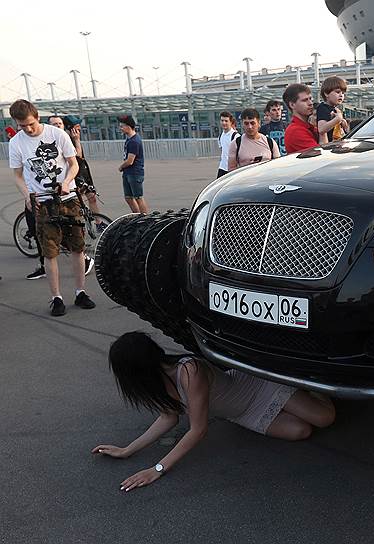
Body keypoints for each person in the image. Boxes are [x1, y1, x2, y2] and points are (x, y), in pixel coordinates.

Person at [92, 331, 335, 491]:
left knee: (325, 418)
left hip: (256, 388)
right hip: (241, 413)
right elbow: (169, 417)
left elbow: (198, 430)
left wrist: (157, 469)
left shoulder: (189, 372)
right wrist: (127, 450)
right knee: (300, 431)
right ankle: (298, 397)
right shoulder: (159, 382)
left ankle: (311, 384)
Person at [7, 99, 96, 316]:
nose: (27, 129)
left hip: (69, 199)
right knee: (50, 252)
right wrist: (28, 196)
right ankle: (56, 297)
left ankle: (80, 292)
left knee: (77, 248)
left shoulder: (57, 135)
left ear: (37, 117)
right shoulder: (16, 143)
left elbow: (73, 164)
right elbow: (17, 175)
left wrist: (66, 183)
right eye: (21, 126)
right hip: (43, 203)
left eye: (30, 124)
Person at [117, 115, 148, 213]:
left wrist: (121, 167)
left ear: (128, 127)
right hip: (128, 173)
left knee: (138, 197)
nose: (120, 128)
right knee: (128, 198)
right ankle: (137, 216)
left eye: (122, 126)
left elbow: (130, 160)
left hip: (134, 173)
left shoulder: (134, 141)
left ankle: (145, 219)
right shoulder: (129, 139)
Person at [283, 83, 319, 154]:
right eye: (305, 100)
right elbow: (321, 156)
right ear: (292, 105)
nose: (310, 103)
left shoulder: (307, 127)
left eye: (310, 99)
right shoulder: (295, 131)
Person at [316, 76, 350, 144]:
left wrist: (344, 125)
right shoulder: (323, 108)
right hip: (327, 146)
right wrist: (337, 119)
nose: (341, 95)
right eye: (338, 92)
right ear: (326, 93)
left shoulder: (337, 109)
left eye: (343, 93)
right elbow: (321, 129)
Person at [216, 111, 239, 178]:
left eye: (226, 121)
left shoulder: (236, 136)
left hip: (232, 169)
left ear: (231, 122)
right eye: (222, 120)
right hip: (222, 167)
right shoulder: (220, 136)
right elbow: (222, 151)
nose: (224, 123)